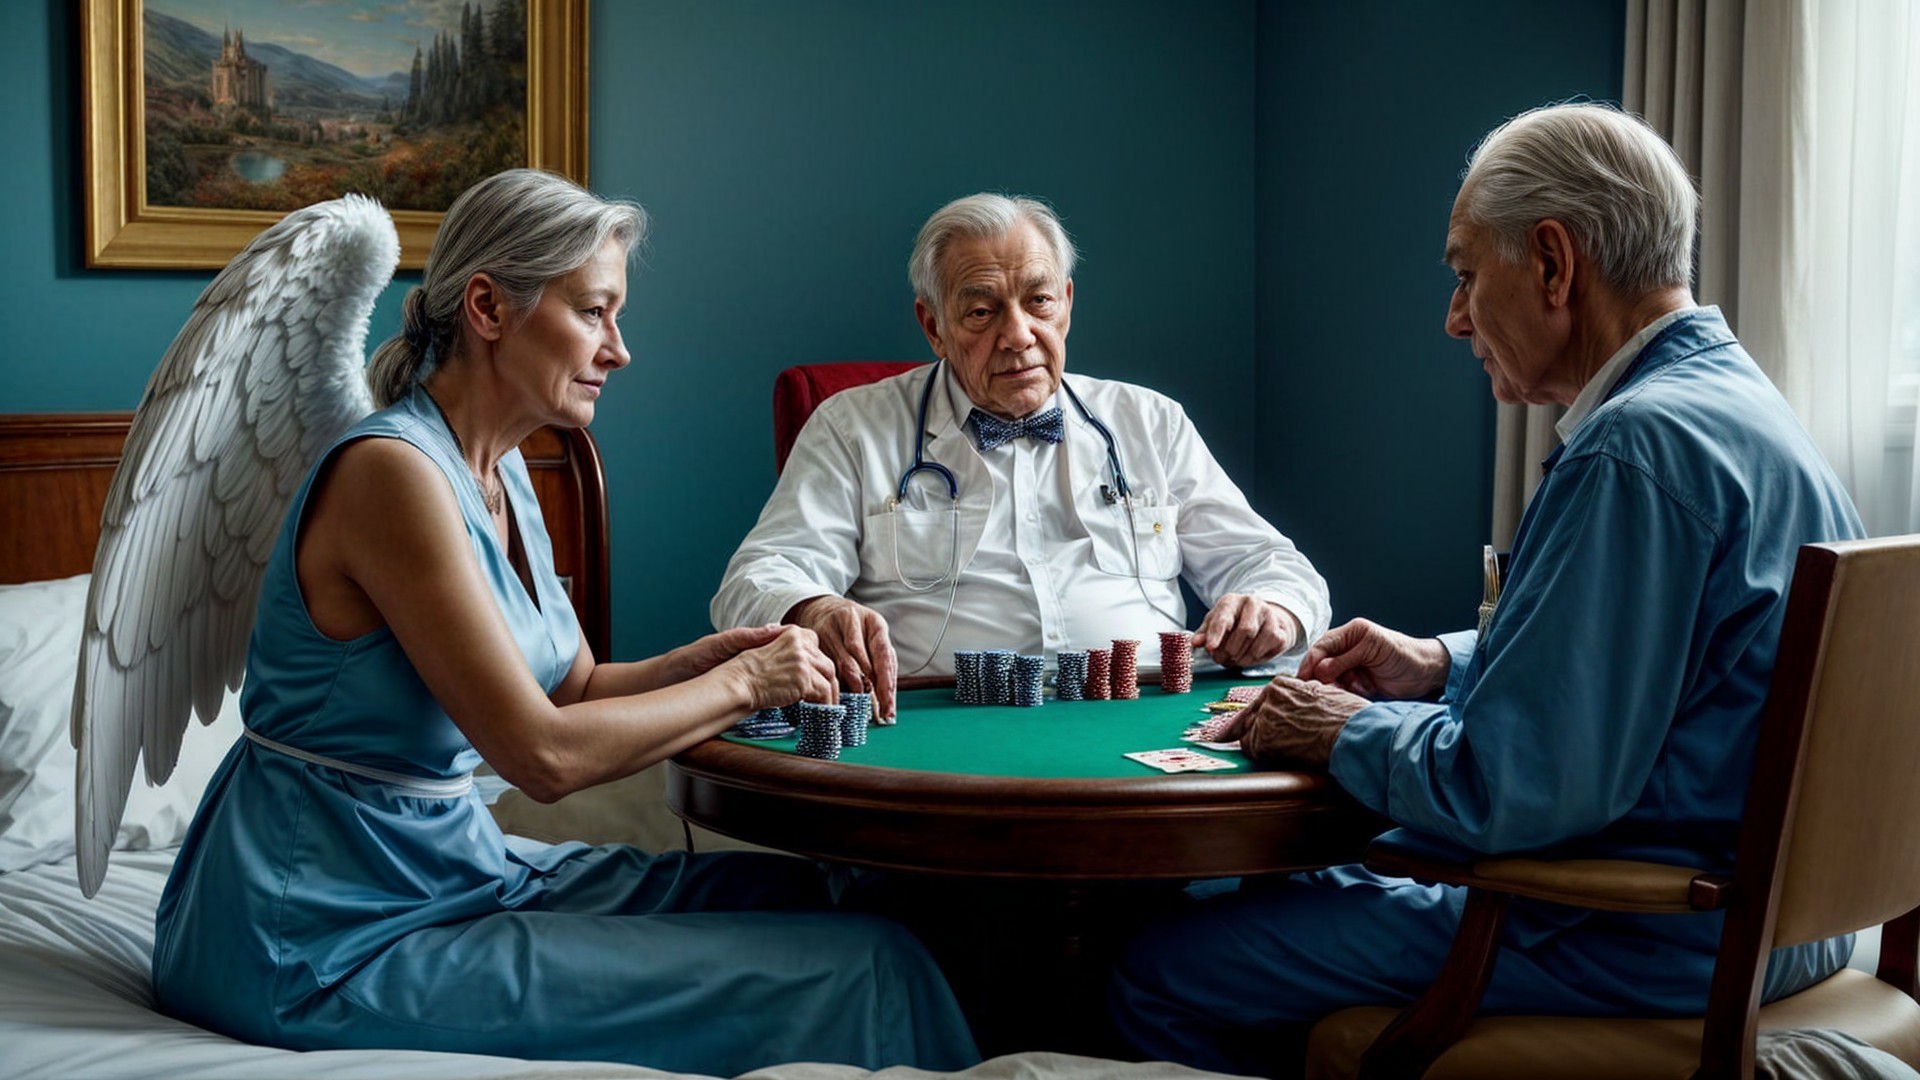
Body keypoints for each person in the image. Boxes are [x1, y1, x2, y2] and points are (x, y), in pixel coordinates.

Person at [150, 170, 979, 1075]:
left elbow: (576, 687)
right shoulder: (391, 476)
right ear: (487, 308)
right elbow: (542, 756)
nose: (618, 349)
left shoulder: (506, 473)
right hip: (324, 930)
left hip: (451, 873)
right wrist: (744, 685)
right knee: (862, 965)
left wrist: (714, 656)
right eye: (594, 311)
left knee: (841, 894)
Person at [1108, 104, 1866, 1077]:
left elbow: (1515, 789)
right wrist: (1439, 662)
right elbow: (1675, 664)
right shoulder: (1739, 404)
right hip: (1790, 927)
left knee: (1160, 968)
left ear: (1552, 262)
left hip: (1642, 929)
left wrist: (1337, 729)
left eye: (1467, 275)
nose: (1455, 317)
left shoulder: (1635, 450)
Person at [710, 193, 1330, 719]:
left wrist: (1271, 606)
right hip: (941, 727)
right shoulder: (852, 427)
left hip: (1142, 721)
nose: (1017, 335)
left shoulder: (1149, 421)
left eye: (1038, 302)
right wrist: (813, 607)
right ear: (934, 326)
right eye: (981, 311)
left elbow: (1279, 567)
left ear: (1066, 301)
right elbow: (754, 581)